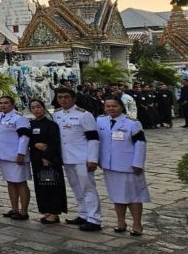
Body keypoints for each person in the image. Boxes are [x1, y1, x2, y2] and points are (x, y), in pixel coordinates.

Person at [98, 97, 150, 235]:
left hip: (128, 165)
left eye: (114, 106)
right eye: (108, 106)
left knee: (134, 196)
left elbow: (141, 144)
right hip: (110, 165)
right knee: (117, 195)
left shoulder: (132, 123)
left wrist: (138, 163)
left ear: (121, 107)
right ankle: (121, 221)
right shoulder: (100, 121)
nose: (111, 108)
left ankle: (137, 224)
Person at [54, 86, 102, 232]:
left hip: (82, 157)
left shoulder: (84, 115)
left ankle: (94, 218)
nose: (63, 100)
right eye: (60, 97)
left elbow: (93, 138)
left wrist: (93, 158)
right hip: (67, 157)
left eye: (66, 97)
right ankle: (83, 213)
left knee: (88, 187)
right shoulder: (57, 115)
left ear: (74, 99)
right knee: (76, 187)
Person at [27, 98, 67, 224]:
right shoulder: (31, 124)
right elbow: (28, 140)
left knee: (51, 186)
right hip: (36, 160)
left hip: (48, 162)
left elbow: (54, 143)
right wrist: (34, 144)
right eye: (33, 108)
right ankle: (47, 211)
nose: (36, 110)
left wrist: (47, 156)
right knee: (41, 186)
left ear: (44, 108)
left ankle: (54, 213)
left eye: (38, 107)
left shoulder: (51, 125)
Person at [0, 95, 31, 220]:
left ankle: (23, 211)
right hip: (3, 155)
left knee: (20, 183)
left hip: (16, 156)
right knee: (10, 182)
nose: (3, 105)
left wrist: (21, 153)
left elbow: (24, 137)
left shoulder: (19, 118)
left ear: (12, 104)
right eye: (1, 103)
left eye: (6, 103)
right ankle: (14, 209)